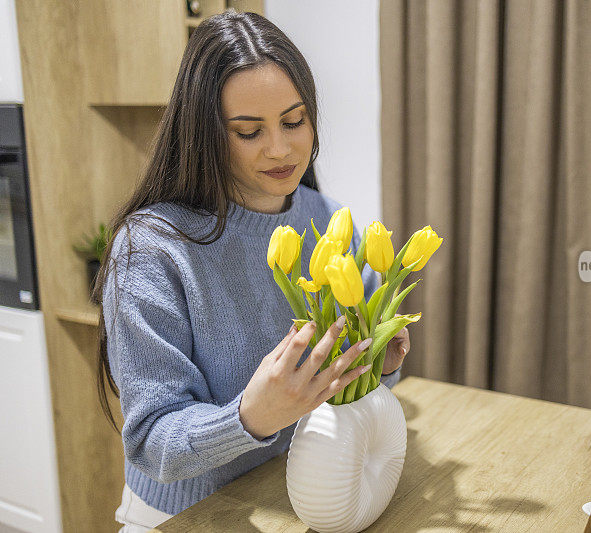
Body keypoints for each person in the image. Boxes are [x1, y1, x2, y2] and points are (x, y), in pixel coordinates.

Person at [94, 11, 411, 531]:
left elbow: (339, 394)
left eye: (294, 121)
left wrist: (376, 364)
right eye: (248, 131)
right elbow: (152, 440)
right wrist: (249, 417)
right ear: (203, 133)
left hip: (302, 495)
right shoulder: (150, 249)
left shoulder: (331, 221)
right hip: (187, 514)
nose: (281, 149)